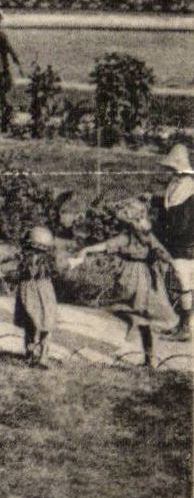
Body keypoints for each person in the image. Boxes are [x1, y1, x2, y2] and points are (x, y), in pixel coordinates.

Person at [68, 199, 176, 368]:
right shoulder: (147, 235)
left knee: (129, 308)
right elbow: (162, 252)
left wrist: (86, 249)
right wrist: (167, 262)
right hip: (147, 277)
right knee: (144, 316)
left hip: (132, 276)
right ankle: (149, 359)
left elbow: (107, 245)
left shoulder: (127, 236)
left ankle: (138, 346)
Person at [0, 224, 61, 367]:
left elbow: (3, 269)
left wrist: (1, 271)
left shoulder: (22, 261)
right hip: (46, 294)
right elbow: (64, 265)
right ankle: (42, 357)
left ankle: (30, 355)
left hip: (28, 294)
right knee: (46, 326)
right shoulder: (49, 263)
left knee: (31, 326)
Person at [155, 144, 194, 342]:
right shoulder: (176, 183)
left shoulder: (189, 186)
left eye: (171, 167)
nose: (169, 170)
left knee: (184, 281)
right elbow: (169, 206)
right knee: (181, 281)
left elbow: (183, 220)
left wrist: (165, 235)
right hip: (178, 241)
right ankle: (182, 324)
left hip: (185, 243)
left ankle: (185, 328)